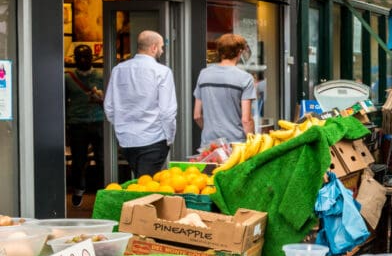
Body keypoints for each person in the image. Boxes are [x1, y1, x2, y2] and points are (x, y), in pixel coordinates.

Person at [104, 30, 176, 178]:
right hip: (154, 138)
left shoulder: (118, 69)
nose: (162, 51)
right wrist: (169, 137)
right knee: (145, 189)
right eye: (161, 47)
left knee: (140, 183)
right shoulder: (162, 71)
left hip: (126, 140)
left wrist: (122, 125)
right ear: (154, 47)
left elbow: (109, 106)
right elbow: (167, 111)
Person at [193, 34, 256, 147]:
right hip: (236, 145)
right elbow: (246, 120)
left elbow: (197, 115)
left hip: (209, 144)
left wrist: (210, 131)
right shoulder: (245, 78)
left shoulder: (204, 74)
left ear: (220, 52)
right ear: (239, 52)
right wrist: (253, 142)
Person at [64, 44, 104, 207]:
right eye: (79, 57)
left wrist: (101, 98)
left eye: (86, 57)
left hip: (98, 121)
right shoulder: (68, 78)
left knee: (102, 158)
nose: (82, 60)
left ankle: (102, 190)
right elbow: (63, 102)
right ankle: (79, 190)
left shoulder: (101, 76)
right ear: (74, 59)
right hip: (77, 123)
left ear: (91, 58)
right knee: (79, 160)